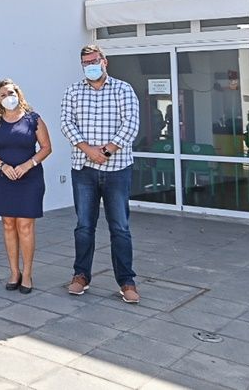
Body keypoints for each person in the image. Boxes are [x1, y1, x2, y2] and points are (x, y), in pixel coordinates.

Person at [61, 44, 141, 303]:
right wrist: (88, 150)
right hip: (84, 170)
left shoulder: (123, 89)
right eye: (86, 63)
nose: (91, 66)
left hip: (117, 169)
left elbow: (131, 125)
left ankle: (126, 281)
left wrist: (105, 151)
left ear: (105, 61)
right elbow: (66, 123)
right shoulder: (73, 91)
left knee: (120, 227)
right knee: (84, 226)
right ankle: (80, 276)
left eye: (94, 61)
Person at [0, 79, 51, 294]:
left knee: (25, 226)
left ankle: (27, 274)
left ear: (18, 94)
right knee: (8, 224)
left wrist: (28, 164)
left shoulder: (33, 119)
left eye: (10, 93)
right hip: (4, 179)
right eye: (2, 95)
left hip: (29, 179)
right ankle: (14, 272)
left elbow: (46, 147)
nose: (7, 97)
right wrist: (2, 166)